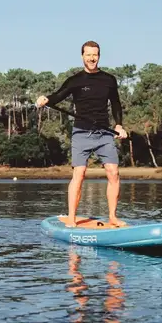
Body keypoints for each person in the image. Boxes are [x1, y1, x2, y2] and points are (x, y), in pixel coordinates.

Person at [35, 41, 128, 227]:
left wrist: (119, 125)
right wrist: (46, 99)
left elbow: (116, 104)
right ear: (82, 56)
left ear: (99, 56)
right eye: (88, 55)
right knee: (80, 173)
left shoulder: (109, 80)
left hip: (104, 133)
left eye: (95, 55)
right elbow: (58, 96)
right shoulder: (75, 80)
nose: (92, 58)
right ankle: (71, 217)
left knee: (113, 172)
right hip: (81, 133)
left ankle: (112, 217)